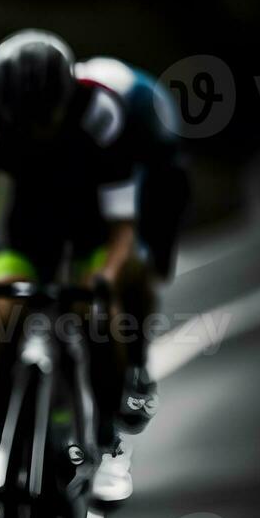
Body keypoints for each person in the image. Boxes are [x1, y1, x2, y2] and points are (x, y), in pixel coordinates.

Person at [0, 30, 143, 504]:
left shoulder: (102, 113)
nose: (37, 130)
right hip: (23, 233)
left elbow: (123, 226)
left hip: (92, 231)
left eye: (47, 118)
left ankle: (110, 439)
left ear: (67, 96)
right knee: (3, 318)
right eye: (24, 121)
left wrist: (105, 277)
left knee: (101, 320)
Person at [74, 56, 192, 429]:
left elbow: (168, 187)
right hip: (97, 157)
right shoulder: (72, 108)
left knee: (135, 258)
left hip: (148, 162)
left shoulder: (145, 109)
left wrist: (160, 253)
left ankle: (137, 362)